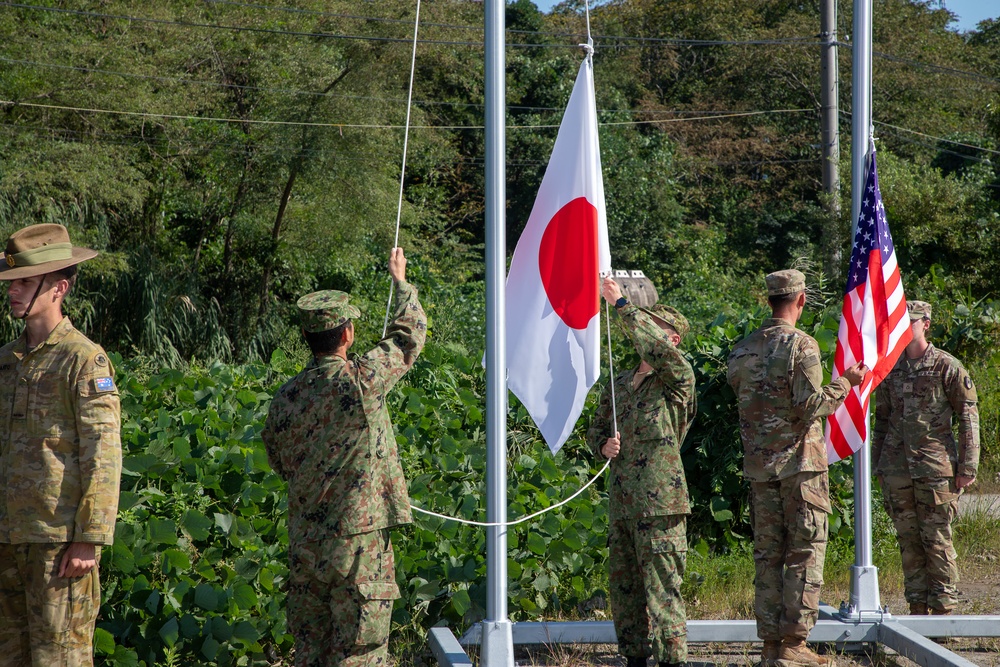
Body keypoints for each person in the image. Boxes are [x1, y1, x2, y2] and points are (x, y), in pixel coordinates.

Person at [262, 247, 426, 667]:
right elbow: (407, 337)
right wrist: (402, 283)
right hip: (358, 544)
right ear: (347, 334)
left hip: (306, 545)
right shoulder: (360, 381)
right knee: (359, 653)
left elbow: (280, 463)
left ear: (307, 337)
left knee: (311, 652)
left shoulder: (285, 398)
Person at [727, 269, 866, 667]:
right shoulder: (800, 346)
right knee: (804, 554)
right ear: (801, 300)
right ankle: (793, 644)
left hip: (759, 470)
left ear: (769, 300)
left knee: (768, 557)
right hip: (800, 469)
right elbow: (810, 407)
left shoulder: (743, 349)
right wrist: (846, 383)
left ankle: (771, 645)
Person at [0, 223, 122, 666]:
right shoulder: (4, 361)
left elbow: (104, 454)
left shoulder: (83, 359)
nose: (13, 292)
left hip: (59, 547)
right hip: (7, 540)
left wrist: (89, 538)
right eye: (11, 283)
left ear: (60, 288)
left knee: (60, 660)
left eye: (25, 283)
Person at [587, 276, 697, 667]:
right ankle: (634, 658)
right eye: (645, 323)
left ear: (673, 341)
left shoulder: (677, 382)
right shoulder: (619, 383)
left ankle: (672, 661)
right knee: (625, 590)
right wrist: (602, 446)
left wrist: (621, 306)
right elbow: (595, 430)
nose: (646, 332)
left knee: (663, 593)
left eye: (658, 329)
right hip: (622, 504)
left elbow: (654, 347)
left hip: (661, 506)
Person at [872, 300, 979, 616]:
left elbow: (968, 416)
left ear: (926, 324)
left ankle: (944, 615)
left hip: (936, 468)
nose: (906, 329)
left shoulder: (947, 366)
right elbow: (882, 419)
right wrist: (878, 464)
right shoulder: (890, 369)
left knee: (937, 542)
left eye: (912, 322)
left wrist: (968, 466)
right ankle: (917, 611)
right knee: (909, 542)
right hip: (896, 469)